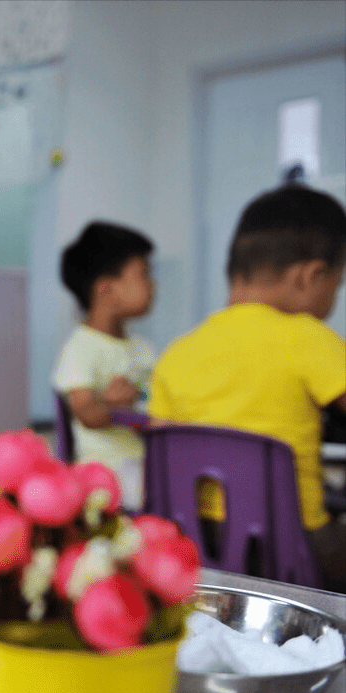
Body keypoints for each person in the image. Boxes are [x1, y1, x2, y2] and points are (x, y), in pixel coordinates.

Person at [149, 184, 346, 591]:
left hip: (196, 550)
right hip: (298, 550)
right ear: (311, 277)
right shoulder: (308, 336)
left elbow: (159, 453)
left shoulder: (176, 353)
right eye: (337, 285)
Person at [52, 222, 157, 511]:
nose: (153, 284)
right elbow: (86, 412)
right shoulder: (81, 347)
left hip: (144, 462)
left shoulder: (143, 348)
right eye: (144, 274)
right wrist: (111, 406)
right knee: (176, 493)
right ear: (106, 289)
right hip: (106, 473)